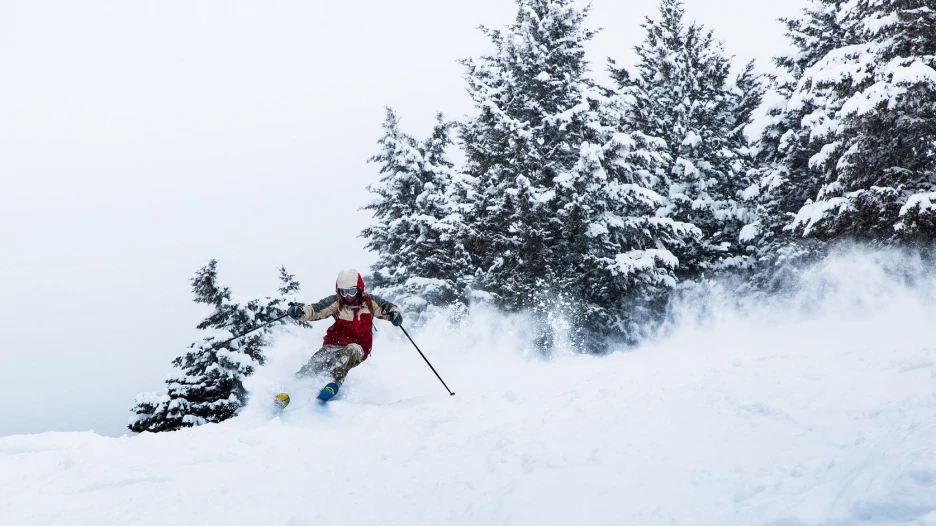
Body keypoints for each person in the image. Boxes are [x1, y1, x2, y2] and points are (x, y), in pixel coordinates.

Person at [274, 268, 403, 405]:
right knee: (319, 360)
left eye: (351, 291)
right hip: (334, 343)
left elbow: (389, 308)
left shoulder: (370, 302)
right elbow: (315, 309)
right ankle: (291, 389)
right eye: (343, 292)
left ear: (359, 289)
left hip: (359, 346)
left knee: (351, 350)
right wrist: (300, 312)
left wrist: (395, 314)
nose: (348, 296)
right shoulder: (336, 302)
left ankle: (331, 383)